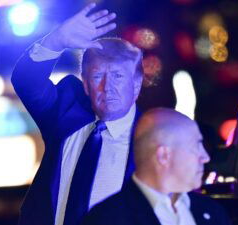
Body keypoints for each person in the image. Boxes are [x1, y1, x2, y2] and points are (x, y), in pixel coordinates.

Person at [11, 3, 143, 225]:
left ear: (137, 84)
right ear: (84, 83)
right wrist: (55, 42)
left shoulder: (149, 137)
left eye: (118, 76)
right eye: (97, 76)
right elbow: (27, 83)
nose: (107, 86)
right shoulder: (65, 112)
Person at [80, 108, 231, 225]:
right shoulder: (108, 218)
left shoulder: (212, 212)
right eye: (195, 146)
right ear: (164, 155)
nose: (205, 157)